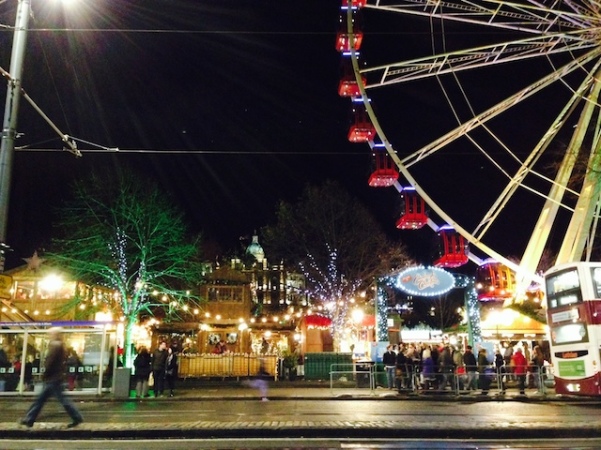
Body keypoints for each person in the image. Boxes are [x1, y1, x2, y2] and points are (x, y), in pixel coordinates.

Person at [19, 328, 83, 428]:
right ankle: (29, 418)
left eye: (51, 334)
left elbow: (50, 361)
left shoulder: (55, 345)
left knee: (45, 399)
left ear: (55, 334)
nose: (50, 335)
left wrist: (45, 373)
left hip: (53, 378)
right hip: (56, 377)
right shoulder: (61, 345)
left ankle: (29, 419)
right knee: (46, 399)